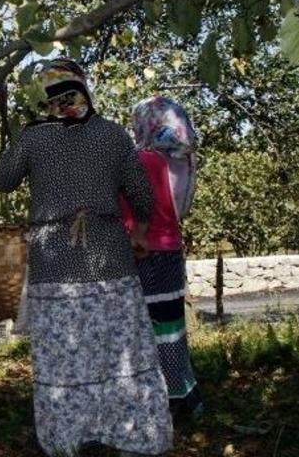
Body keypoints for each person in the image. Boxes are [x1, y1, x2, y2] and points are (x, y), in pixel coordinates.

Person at [0, 59, 173, 456]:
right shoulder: (111, 135)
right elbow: (142, 195)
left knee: (63, 355)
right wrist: (140, 234)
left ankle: (68, 438)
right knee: (120, 350)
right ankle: (132, 435)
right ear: (85, 90)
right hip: (111, 258)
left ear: (44, 99)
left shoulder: (34, 137)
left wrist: (20, 135)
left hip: (52, 261)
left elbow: (2, 181)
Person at [120, 96, 203, 418]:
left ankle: (156, 404)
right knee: (170, 327)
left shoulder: (141, 160)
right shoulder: (177, 162)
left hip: (143, 253)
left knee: (144, 331)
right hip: (169, 251)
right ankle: (183, 396)